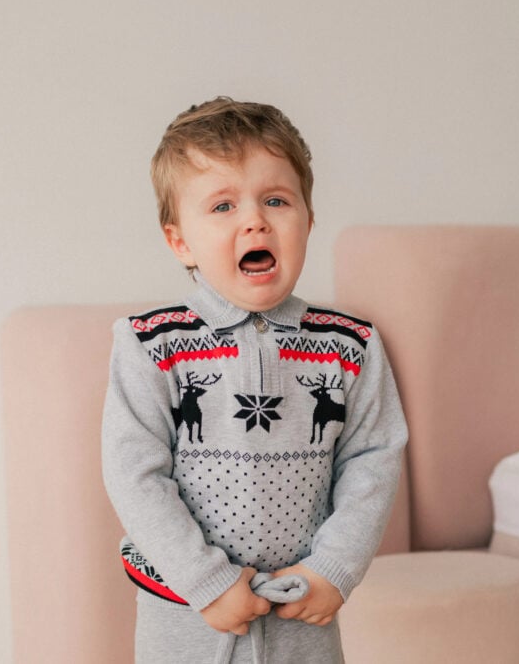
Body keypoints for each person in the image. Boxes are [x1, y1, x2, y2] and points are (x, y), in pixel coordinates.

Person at [102, 97, 408, 663]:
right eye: (223, 206)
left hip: (302, 613)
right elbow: (134, 474)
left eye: (276, 200)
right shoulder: (150, 344)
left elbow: (373, 459)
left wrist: (335, 568)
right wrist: (207, 582)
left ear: (308, 222)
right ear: (180, 241)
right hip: (188, 620)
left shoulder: (351, 345)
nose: (255, 220)